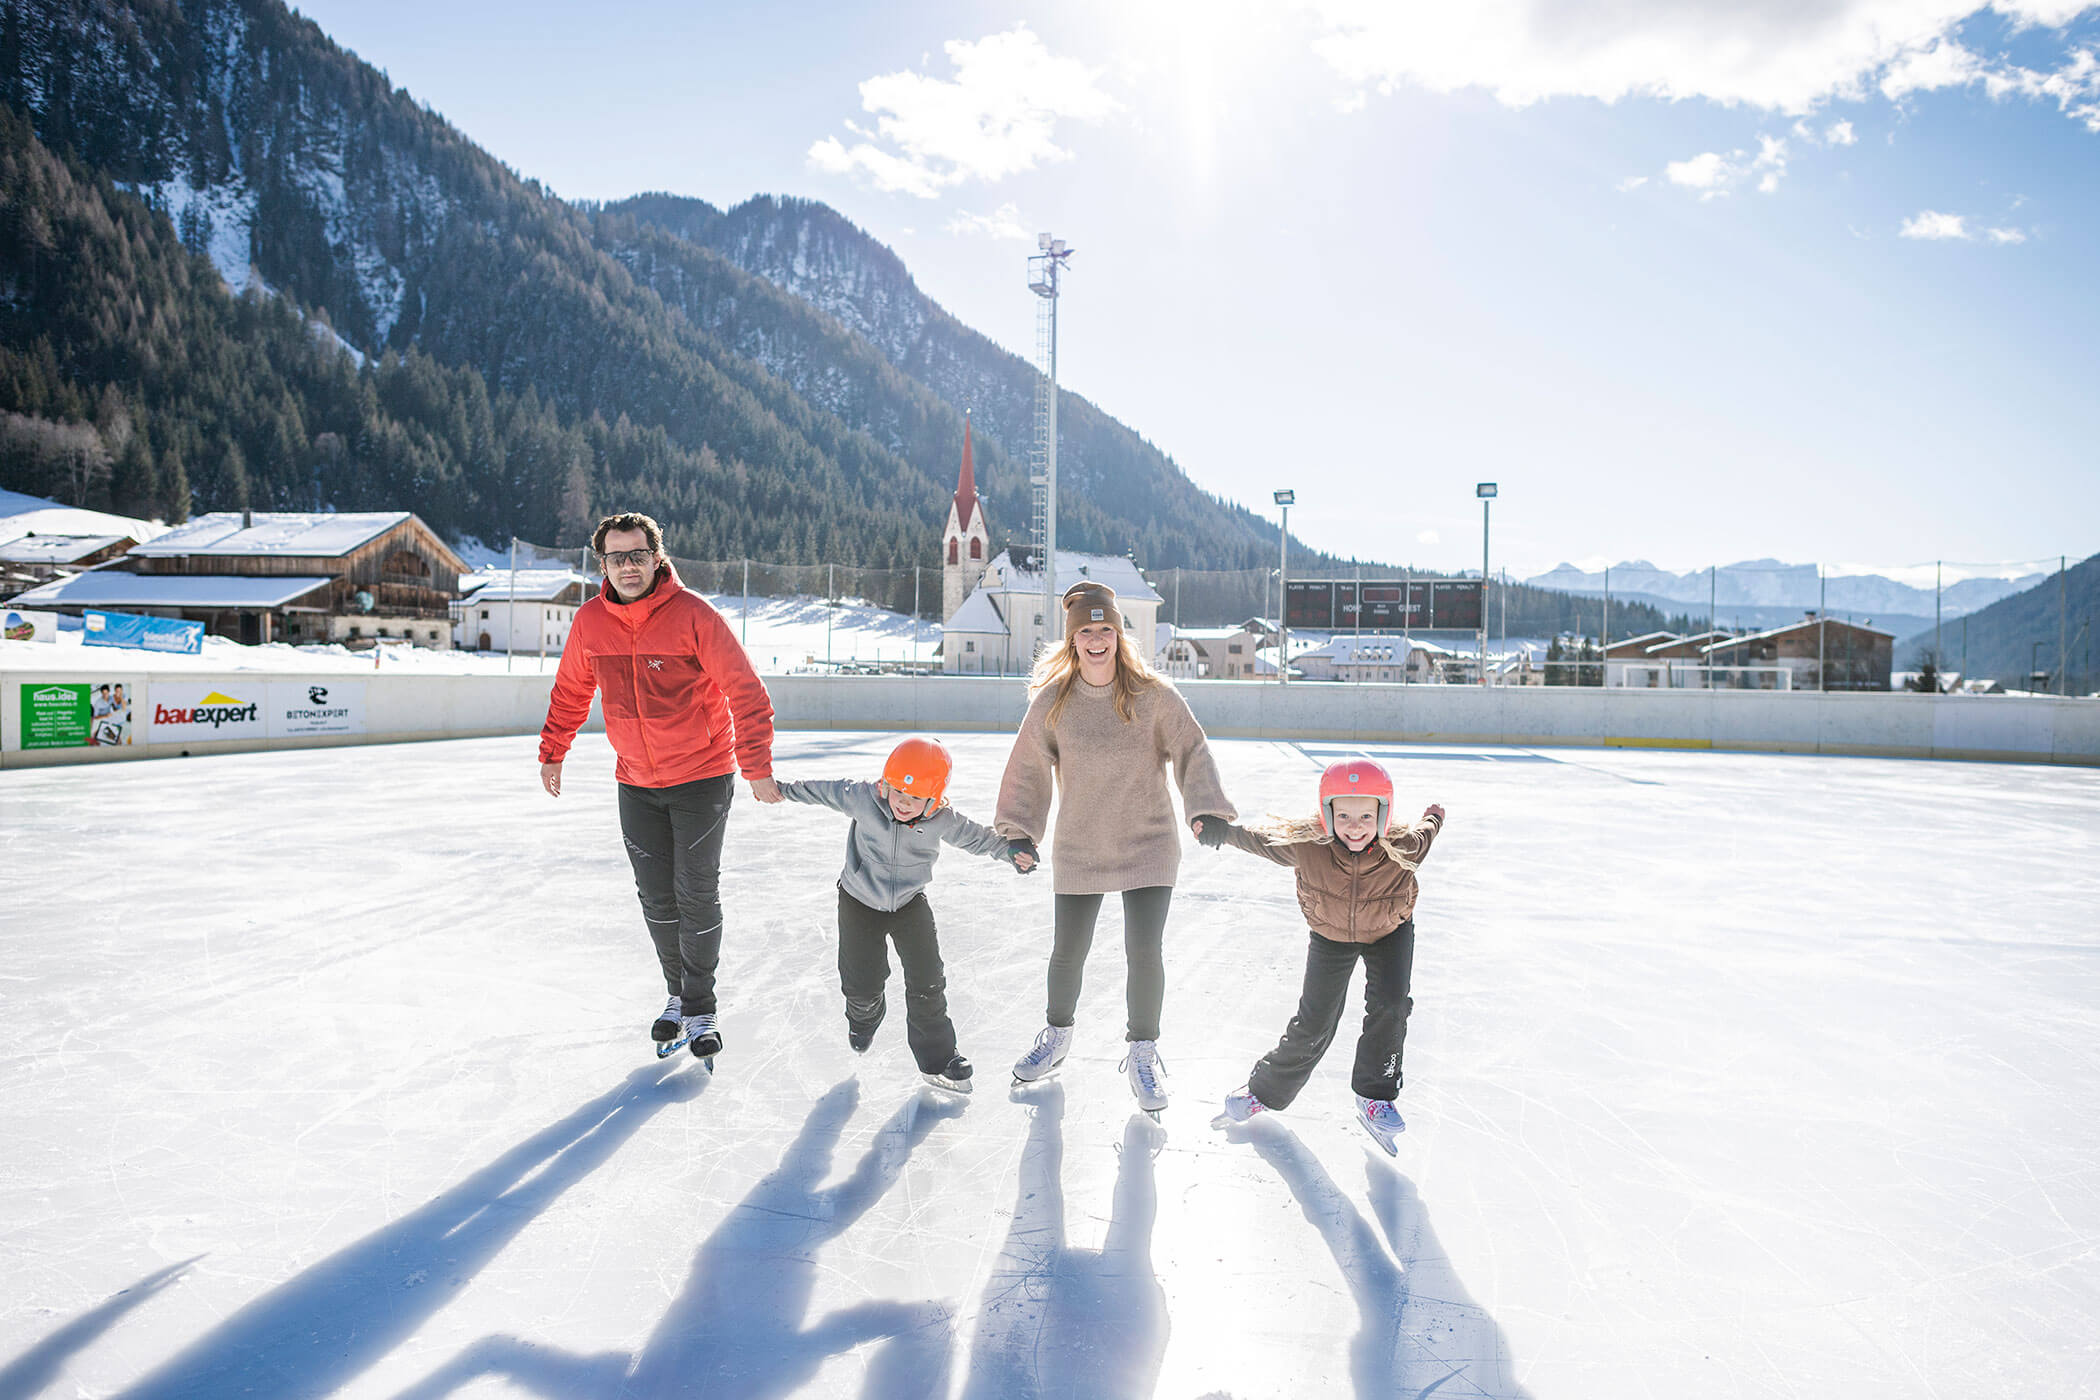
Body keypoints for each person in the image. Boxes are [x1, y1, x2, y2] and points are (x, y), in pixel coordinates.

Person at [539, 512, 779, 1064]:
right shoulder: (590, 623)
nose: (627, 566)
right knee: (656, 897)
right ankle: (679, 993)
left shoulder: (695, 616)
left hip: (702, 776)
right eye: (616, 557)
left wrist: (756, 764)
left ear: (657, 557)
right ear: (601, 564)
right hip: (637, 782)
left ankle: (700, 1004)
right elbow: (571, 691)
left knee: (695, 890)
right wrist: (554, 750)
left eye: (637, 555)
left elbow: (746, 692)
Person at [995, 580, 1236, 1113]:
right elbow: (1029, 767)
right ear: (1073, 639)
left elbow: (1191, 749)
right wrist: (1018, 830)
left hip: (1148, 842)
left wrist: (1205, 808)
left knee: (1144, 951)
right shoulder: (1053, 703)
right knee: (1067, 954)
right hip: (1080, 844)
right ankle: (1057, 1039)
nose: (1097, 639)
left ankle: (1143, 1051)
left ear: (1119, 636)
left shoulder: (1153, 696)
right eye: (1087, 631)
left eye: (1106, 629)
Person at [1193, 759, 1444, 1155]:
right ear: (1327, 814)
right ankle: (1263, 1090)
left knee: (1391, 1007)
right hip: (1331, 935)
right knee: (1313, 1022)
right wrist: (1223, 831)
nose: (1355, 825)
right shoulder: (1308, 847)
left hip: (1389, 933)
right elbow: (1262, 840)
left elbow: (1428, 832)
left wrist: (1434, 816)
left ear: (1383, 813)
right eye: (1343, 814)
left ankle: (1375, 1095)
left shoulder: (1404, 847)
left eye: (1366, 815)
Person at [771, 737, 1037, 1093]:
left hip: (910, 903)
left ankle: (939, 1058)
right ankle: (865, 1015)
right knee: (861, 985)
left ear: (935, 798)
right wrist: (780, 789)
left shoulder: (944, 820)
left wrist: (1011, 851)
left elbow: (979, 839)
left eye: (915, 799)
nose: (904, 804)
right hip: (859, 901)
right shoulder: (863, 797)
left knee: (928, 981)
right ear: (885, 784)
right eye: (898, 793)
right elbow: (822, 791)